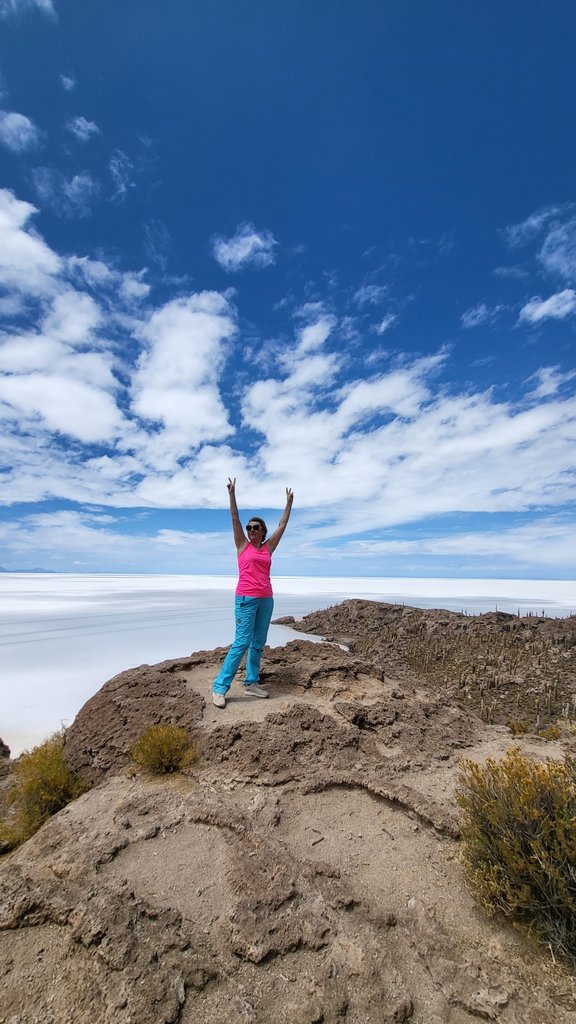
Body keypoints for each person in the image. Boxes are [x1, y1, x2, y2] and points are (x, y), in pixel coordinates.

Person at [212, 478, 294, 708]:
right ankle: (219, 688)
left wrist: (288, 504)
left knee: (258, 642)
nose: (250, 531)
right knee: (241, 642)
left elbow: (282, 526)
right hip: (246, 599)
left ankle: (251, 684)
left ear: (262, 531)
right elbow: (234, 518)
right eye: (249, 528)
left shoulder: (268, 547)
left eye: (255, 528)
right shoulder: (242, 545)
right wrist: (231, 495)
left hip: (266, 599)